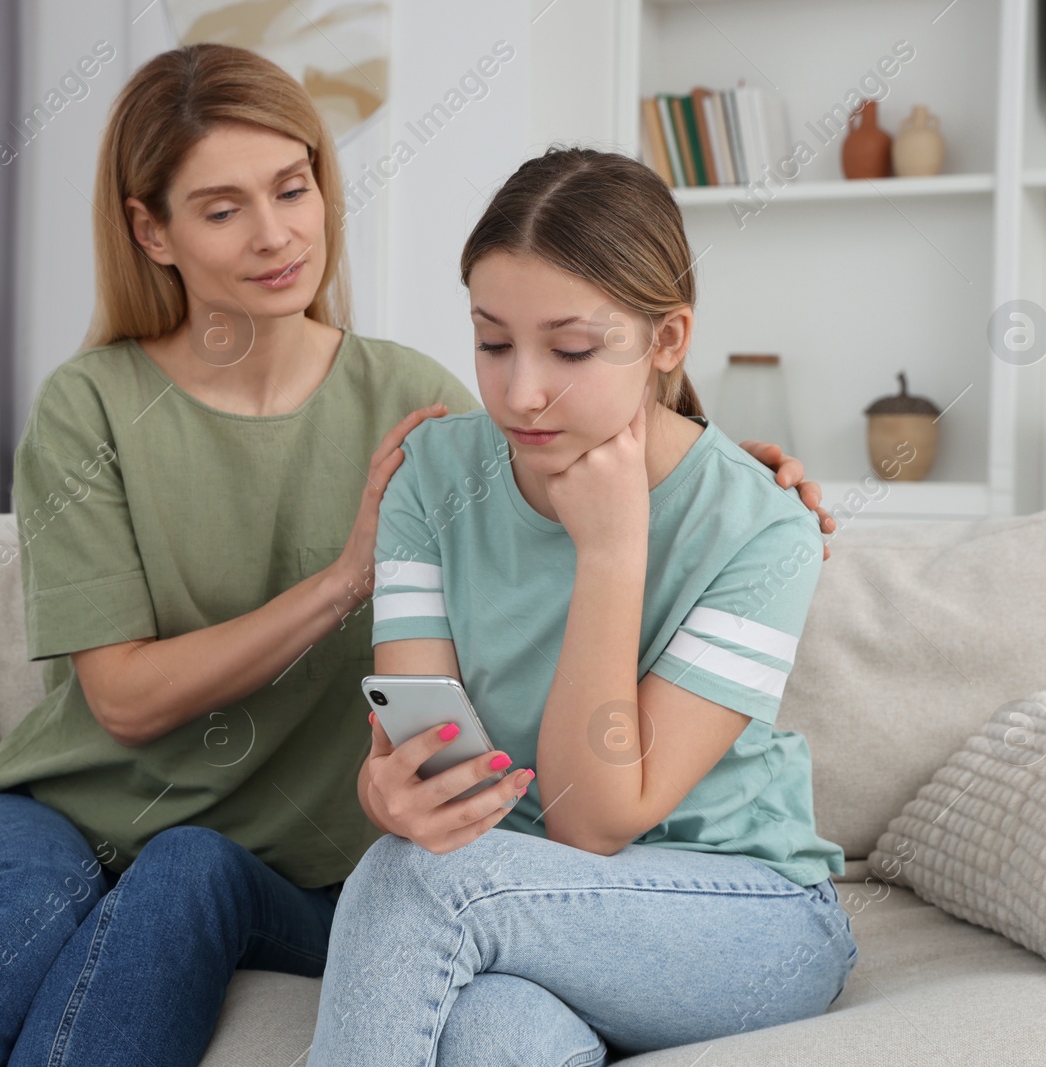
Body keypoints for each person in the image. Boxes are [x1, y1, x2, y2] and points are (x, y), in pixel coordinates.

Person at [0, 45, 833, 1067]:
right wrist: (373, 726)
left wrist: (674, 504)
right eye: (221, 208)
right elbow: (176, 708)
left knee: (400, 906)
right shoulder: (384, 452)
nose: (521, 390)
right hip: (119, 816)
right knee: (466, 1025)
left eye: (291, 188)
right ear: (151, 229)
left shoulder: (425, 410)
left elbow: (590, 804)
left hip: (571, 882)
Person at [305, 146, 858, 1067]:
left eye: (569, 349)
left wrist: (610, 552)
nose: (520, 391)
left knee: (416, 884)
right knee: (495, 1040)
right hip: (529, 909)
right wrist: (389, 792)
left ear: (667, 341)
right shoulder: (430, 482)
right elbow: (433, 766)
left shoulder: (763, 528)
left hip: (743, 917)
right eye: (491, 341)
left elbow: (593, 817)